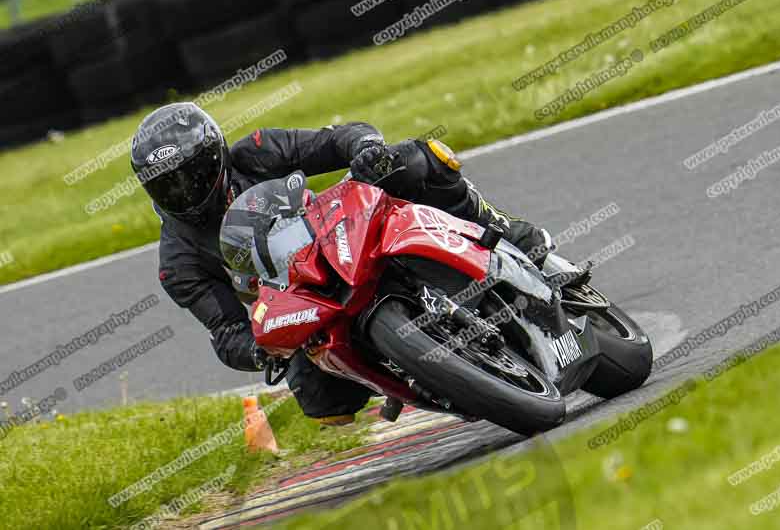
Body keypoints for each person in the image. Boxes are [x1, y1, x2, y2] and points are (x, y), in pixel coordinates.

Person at [131, 102, 551, 424]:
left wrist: (366, 150)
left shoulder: (255, 152)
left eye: (191, 175)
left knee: (412, 160)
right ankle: (402, 373)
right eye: (168, 186)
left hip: (331, 234)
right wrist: (261, 352)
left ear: (215, 157)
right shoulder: (177, 261)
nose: (184, 192)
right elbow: (225, 332)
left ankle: (498, 227)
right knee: (325, 404)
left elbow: (336, 140)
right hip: (293, 298)